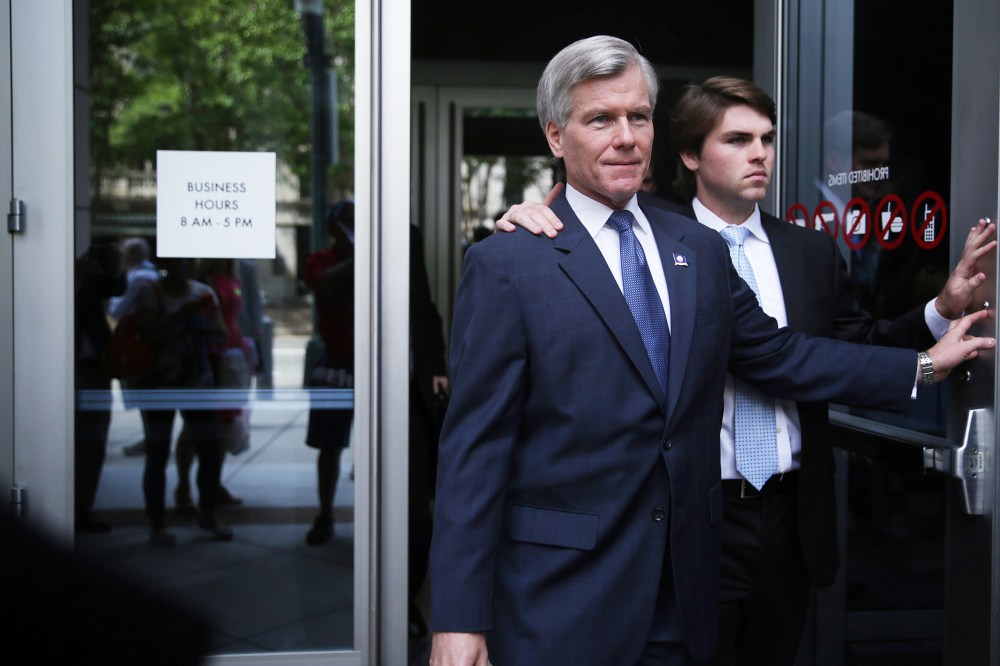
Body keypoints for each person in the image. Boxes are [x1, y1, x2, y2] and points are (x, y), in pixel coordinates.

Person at [429, 36, 994, 666]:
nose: (625, 137)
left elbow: (780, 356)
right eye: (600, 119)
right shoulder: (508, 263)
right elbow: (474, 455)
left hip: (687, 590)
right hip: (562, 599)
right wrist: (457, 617)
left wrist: (921, 363)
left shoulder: (696, 248)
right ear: (556, 137)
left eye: (637, 117)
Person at [133, 258, 233, 546]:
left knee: (209, 449)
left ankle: (208, 513)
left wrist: (208, 326)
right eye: (176, 260)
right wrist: (184, 315)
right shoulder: (149, 292)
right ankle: (157, 522)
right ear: (165, 262)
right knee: (157, 453)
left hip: (196, 382)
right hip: (158, 384)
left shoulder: (203, 292)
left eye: (187, 260)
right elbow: (151, 333)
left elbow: (222, 332)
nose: (182, 266)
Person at [303, 201, 356, 545]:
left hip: (373, 362)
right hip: (336, 361)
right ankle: (325, 513)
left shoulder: (377, 252)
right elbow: (322, 285)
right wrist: (357, 252)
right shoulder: (321, 259)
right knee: (330, 446)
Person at [74, 241, 126, 533]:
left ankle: (82, 506)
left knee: (93, 441)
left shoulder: (92, 281)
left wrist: (111, 265)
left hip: (93, 370)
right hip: (70, 371)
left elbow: (116, 287)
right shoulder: (68, 279)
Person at [107, 237, 160, 458]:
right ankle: (151, 439)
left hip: (139, 344)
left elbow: (118, 310)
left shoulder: (137, 277)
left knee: (144, 396)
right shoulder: (151, 273)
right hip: (149, 343)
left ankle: (151, 440)